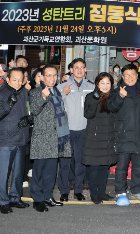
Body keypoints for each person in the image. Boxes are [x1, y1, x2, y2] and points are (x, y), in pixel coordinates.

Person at [29, 64, 71, 212]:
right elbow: (33, 110)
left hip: (56, 137)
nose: (52, 78)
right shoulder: (35, 92)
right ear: (42, 77)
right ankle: (37, 199)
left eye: (54, 75)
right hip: (42, 137)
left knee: (51, 171)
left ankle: (48, 196)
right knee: (39, 171)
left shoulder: (57, 91)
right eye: (49, 75)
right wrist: (43, 97)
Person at [0, 68, 31, 214]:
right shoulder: (0, 93)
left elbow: (28, 109)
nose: (18, 82)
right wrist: (8, 104)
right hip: (6, 140)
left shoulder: (24, 92)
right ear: (7, 80)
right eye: (15, 79)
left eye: (21, 80)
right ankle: (3, 201)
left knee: (18, 172)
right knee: (3, 172)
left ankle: (15, 197)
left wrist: (29, 118)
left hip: (21, 138)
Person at [109, 64, 140, 205]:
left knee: (138, 167)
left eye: (132, 74)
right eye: (126, 75)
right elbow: (111, 108)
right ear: (122, 77)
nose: (130, 78)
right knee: (122, 168)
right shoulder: (116, 91)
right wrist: (120, 97)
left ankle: (136, 191)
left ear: (137, 75)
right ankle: (120, 191)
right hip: (123, 135)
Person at [56, 58, 94, 202]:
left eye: (82, 67)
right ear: (71, 70)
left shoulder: (91, 87)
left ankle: (78, 190)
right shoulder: (63, 86)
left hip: (83, 130)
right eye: (76, 67)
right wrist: (64, 94)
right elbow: (54, 106)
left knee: (80, 162)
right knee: (65, 163)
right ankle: (64, 190)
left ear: (85, 70)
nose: (79, 70)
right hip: (66, 130)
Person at [83, 72, 117, 204]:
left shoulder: (113, 98)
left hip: (108, 137)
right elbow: (88, 114)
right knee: (94, 168)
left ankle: (102, 193)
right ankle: (94, 194)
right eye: (102, 83)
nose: (105, 85)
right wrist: (95, 99)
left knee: (104, 167)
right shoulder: (90, 96)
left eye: (108, 83)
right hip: (94, 137)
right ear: (97, 84)